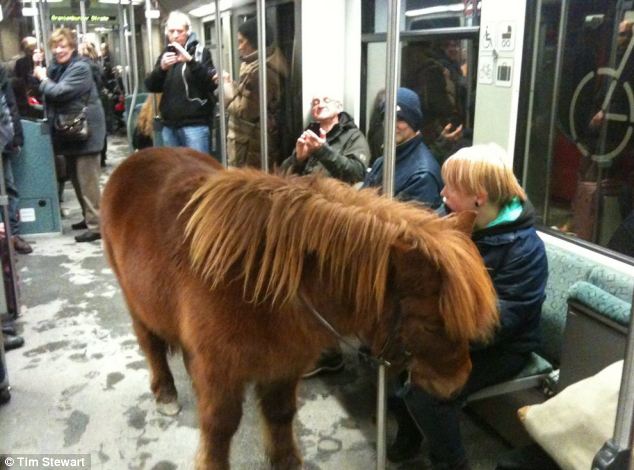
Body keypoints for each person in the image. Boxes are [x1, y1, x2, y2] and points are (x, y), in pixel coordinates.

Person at [388, 143, 548, 469]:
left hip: (502, 345)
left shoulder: (525, 250)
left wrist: (437, 334)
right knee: (393, 355)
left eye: (451, 187)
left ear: (479, 196)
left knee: (429, 394)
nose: (442, 192)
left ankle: (451, 462)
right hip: (451, 330)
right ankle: (410, 432)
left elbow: (503, 319)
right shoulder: (452, 219)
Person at [34, 28, 106, 243]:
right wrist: (40, 68)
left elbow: (59, 92)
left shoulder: (81, 69)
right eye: (55, 46)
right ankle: (88, 217)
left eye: (63, 46)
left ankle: (97, 225)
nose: (58, 50)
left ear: (72, 47)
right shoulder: (61, 68)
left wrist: (44, 79)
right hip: (72, 132)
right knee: (76, 179)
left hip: (86, 132)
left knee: (88, 181)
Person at [220, 17, 289, 168]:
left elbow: (246, 112)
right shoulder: (259, 64)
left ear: (255, 42)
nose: (238, 47)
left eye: (241, 41)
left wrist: (227, 89)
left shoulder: (260, 72)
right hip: (250, 140)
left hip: (250, 143)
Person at [145, 11, 216, 154]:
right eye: (172, 31)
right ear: (167, 33)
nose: (176, 35)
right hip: (169, 125)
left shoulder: (201, 53)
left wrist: (190, 62)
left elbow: (211, 84)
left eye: (180, 31)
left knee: (198, 170)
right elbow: (151, 86)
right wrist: (162, 69)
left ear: (188, 32)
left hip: (195, 125)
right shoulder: (165, 56)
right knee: (174, 172)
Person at [362, 87, 443, 207]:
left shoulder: (422, 175)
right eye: (388, 117)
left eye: (400, 119)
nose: (393, 125)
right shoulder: (383, 161)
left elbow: (405, 223)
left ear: (413, 122)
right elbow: (361, 201)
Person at [281, 94, 369, 182]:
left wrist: (323, 151)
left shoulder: (353, 136)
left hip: (334, 194)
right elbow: (282, 174)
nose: (320, 105)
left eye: (327, 101)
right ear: (312, 111)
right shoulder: (309, 134)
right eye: (315, 103)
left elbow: (358, 174)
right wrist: (298, 159)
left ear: (339, 107)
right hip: (302, 191)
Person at [0, 64, 31, 254]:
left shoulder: (1, 72)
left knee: (8, 187)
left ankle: (12, 234)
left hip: (2, 137)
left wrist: (16, 135)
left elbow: (10, 104)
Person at [12, 36, 43, 120]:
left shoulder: (42, 61)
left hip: (40, 93)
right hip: (26, 95)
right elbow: (18, 80)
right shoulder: (20, 62)